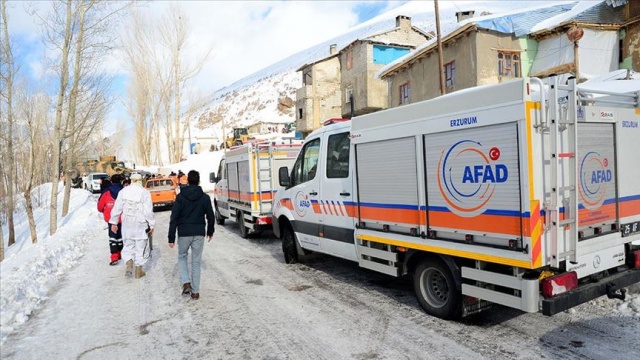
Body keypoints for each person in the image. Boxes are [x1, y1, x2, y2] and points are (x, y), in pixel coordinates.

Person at [168, 170, 214, 300]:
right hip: (199, 232)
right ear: (198, 181)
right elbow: (210, 216)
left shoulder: (181, 197)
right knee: (196, 261)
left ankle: (186, 282)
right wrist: (210, 231)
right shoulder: (205, 197)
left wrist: (171, 237)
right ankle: (195, 291)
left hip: (183, 233)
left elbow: (174, 218)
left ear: (188, 181)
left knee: (182, 256)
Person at [109, 173, 155, 279]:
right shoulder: (145, 192)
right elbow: (148, 211)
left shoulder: (123, 191)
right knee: (140, 246)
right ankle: (139, 270)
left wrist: (114, 222)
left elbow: (117, 208)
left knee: (128, 245)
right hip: (140, 223)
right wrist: (152, 224)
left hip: (127, 223)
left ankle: (129, 263)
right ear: (140, 180)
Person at [97, 174, 124, 265]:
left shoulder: (106, 192)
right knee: (121, 236)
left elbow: (100, 207)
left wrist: (105, 210)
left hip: (111, 219)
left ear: (111, 182)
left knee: (113, 237)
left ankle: (114, 256)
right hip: (123, 218)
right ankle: (121, 253)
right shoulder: (124, 191)